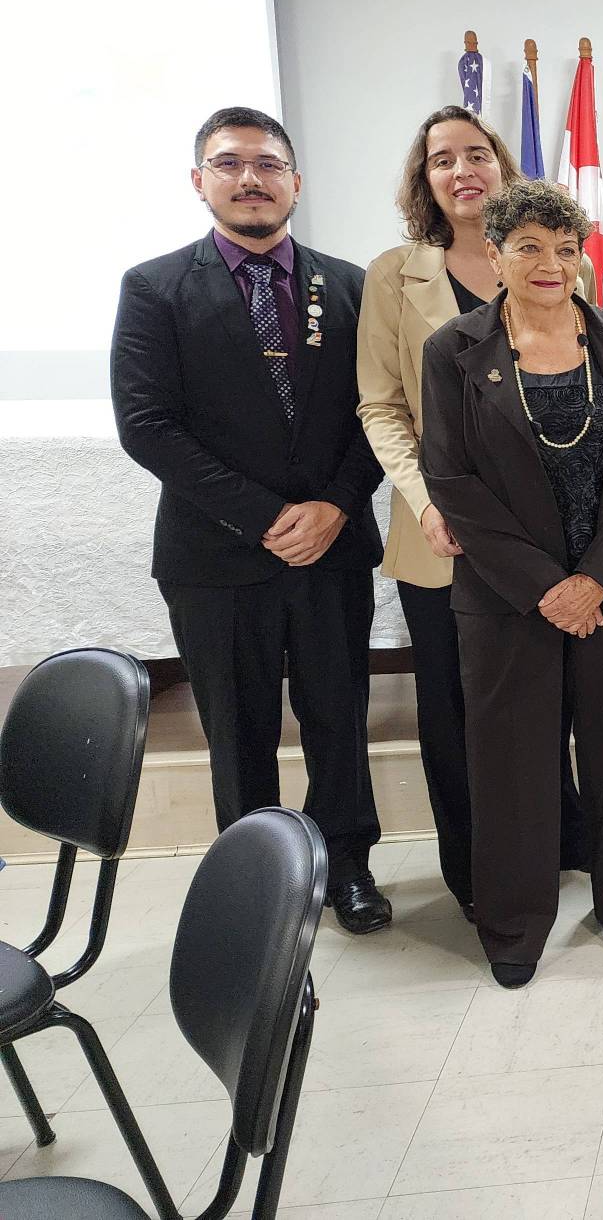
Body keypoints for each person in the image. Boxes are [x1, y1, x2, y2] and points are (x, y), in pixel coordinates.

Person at [112, 105, 389, 934]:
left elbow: (382, 412)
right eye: (229, 163)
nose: (250, 179)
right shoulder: (155, 288)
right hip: (216, 557)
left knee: (338, 720)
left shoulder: (351, 286)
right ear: (199, 181)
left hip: (333, 549)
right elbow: (146, 425)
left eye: (268, 164)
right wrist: (267, 517)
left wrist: (337, 505)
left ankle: (348, 867)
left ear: (295, 182)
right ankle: (259, 886)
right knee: (238, 734)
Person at [420, 180, 603, 985]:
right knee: (512, 763)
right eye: (529, 247)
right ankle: (514, 925)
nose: (550, 264)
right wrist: (545, 588)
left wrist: (596, 579)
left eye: (566, 249)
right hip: (507, 599)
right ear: (494, 254)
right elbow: (452, 481)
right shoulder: (453, 352)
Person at [357, 105, 594, 919]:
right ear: (424, 180)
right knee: (458, 709)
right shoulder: (394, 274)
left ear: (501, 165)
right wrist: (428, 502)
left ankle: (557, 837)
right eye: (442, 160)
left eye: (476, 154)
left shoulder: (551, 259)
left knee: (548, 695)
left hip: (548, 533)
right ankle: (473, 867)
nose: (462, 171)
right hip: (444, 537)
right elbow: (381, 406)